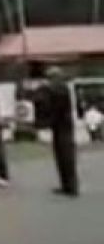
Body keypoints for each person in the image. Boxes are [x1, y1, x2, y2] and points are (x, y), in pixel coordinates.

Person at [45, 67, 79, 196]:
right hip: (60, 126)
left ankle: (71, 186)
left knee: (66, 156)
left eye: (50, 78)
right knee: (60, 156)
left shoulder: (60, 90)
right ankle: (66, 185)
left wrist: (48, 121)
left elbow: (56, 110)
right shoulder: (59, 89)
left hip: (63, 126)